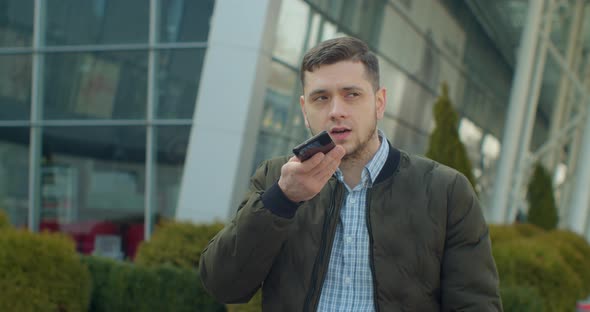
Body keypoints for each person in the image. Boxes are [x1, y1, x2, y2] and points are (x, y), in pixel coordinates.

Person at [199, 36, 502, 311]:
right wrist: (282, 200)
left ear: (379, 102)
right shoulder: (277, 179)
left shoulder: (445, 191)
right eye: (321, 98)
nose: (336, 111)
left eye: (352, 95)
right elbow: (224, 285)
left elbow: (475, 305)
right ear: (305, 110)